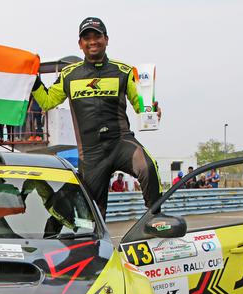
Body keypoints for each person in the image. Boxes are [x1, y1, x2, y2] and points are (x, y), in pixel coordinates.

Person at [31, 16, 162, 217]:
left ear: (106, 39)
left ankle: (155, 218)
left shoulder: (124, 71)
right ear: (80, 44)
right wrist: (33, 80)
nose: (93, 41)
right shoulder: (69, 74)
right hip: (91, 153)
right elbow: (48, 101)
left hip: (121, 143)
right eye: (87, 38)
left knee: (148, 166)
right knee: (92, 215)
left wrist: (153, 111)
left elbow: (141, 107)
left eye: (97, 36)